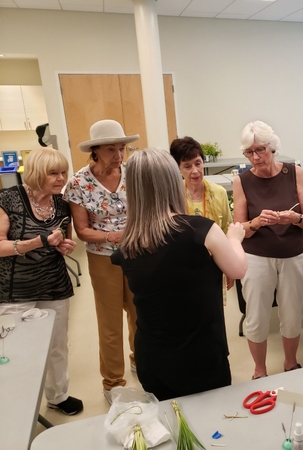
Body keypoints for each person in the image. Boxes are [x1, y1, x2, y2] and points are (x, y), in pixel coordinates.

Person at [111, 148, 247, 401]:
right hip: (201, 355)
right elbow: (237, 269)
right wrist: (235, 238)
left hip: (152, 357)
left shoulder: (128, 243)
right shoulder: (201, 230)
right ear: (173, 182)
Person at [0, 147, 83, 415]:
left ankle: (58, 396)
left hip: (54, 282)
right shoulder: (8, 200)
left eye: (64, 173)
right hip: (15, 288)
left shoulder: (61, 203)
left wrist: (65, 246)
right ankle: (18, 403)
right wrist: (37, 242)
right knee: (17, 349)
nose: (61, 179)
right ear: (37, 173)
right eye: (54, 173)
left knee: (57, 344)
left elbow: (65, 240)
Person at [64, 119, 138, 404]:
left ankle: (139, 361)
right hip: (102, 257)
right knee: (109, 323)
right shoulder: (79, 183)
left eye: (122, 148)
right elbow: (82, 231)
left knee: (139, 312)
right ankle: (113, 382)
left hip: (136, 253)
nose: (119, 156)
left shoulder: (132, 173)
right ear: (95, 151)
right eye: (111, 150)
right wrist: (113, 236)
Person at [232, 120, 303, 379]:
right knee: (255, 316)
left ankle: (290, 363)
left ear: (273, 147)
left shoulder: (295, 173)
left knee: (291, 313)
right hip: (256, 257)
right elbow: (239, 228)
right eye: (249, 152)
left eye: (260, 150)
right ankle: (260, 370)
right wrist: (256, 222)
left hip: (293, 255)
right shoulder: (241, 181)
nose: (255, 157)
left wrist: (294, 219)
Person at [170, 136, 234, 295]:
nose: (195, 171)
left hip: (213, 263)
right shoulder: (173, 196)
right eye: (187, 166)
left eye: (198, 163)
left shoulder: (219, 192)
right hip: (182, 266)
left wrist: (230, 267)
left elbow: (227, 229)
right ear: (178, 168)